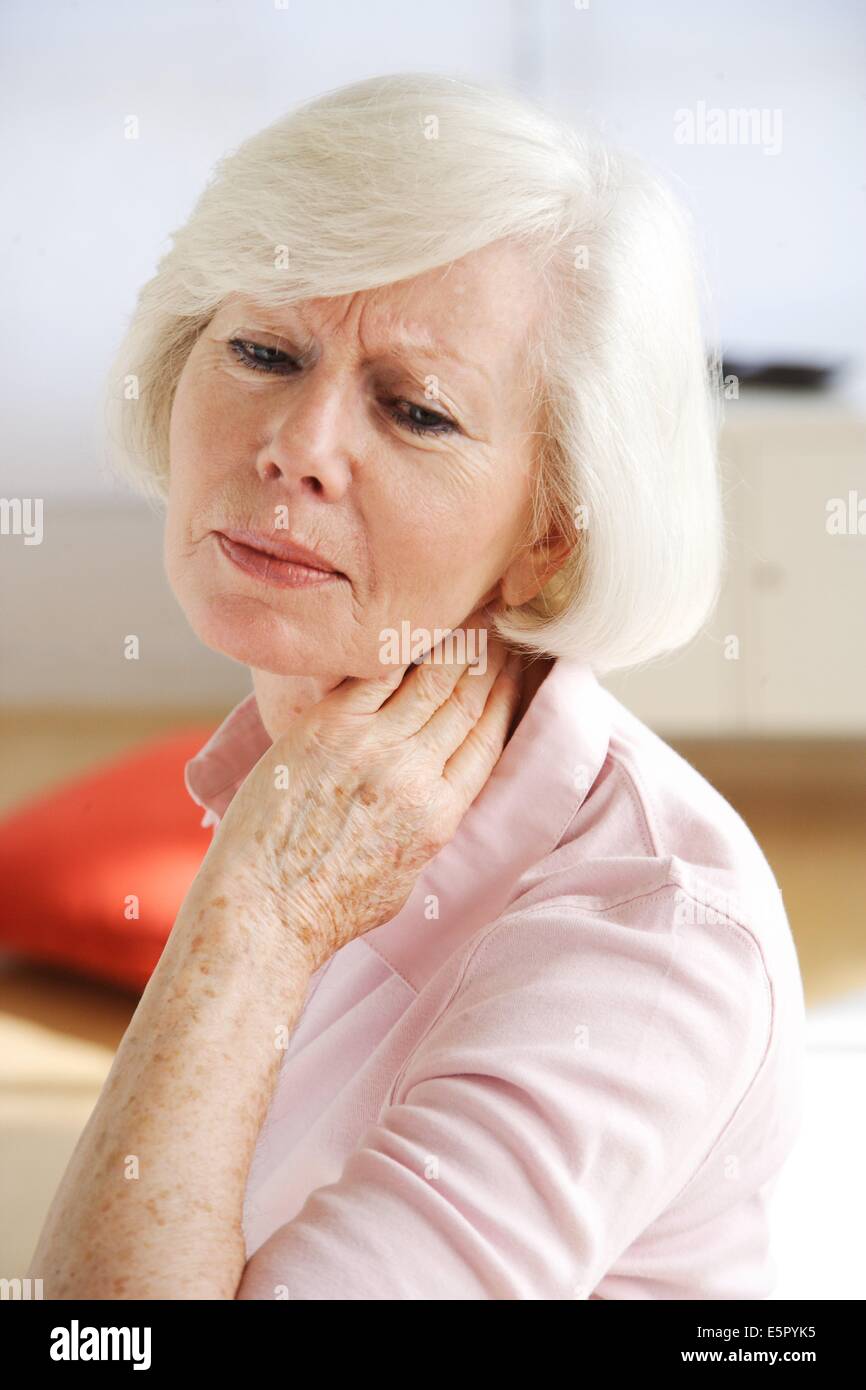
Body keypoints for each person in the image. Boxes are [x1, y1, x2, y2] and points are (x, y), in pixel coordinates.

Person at [29, 71, 804, 1300]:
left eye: (416, 410)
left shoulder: (650, 934)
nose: (298, 444)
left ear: (553, 532)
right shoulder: (311, 772)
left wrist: (261, 911)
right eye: (262, 349)